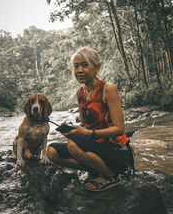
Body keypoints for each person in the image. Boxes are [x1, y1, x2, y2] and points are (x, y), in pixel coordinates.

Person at [47, 46, 130, 192]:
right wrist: (75, 129)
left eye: (84, 65)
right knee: (51, 151)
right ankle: (96, 170)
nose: (79, 70)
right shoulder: (80, 93)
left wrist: (89, 134)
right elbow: (87, 125)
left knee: (73, 145)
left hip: (116, 152)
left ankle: (111, 175)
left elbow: (119, 129)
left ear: (97, 67)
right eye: (76, 66)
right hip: (96, 147)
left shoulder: (108, 89)